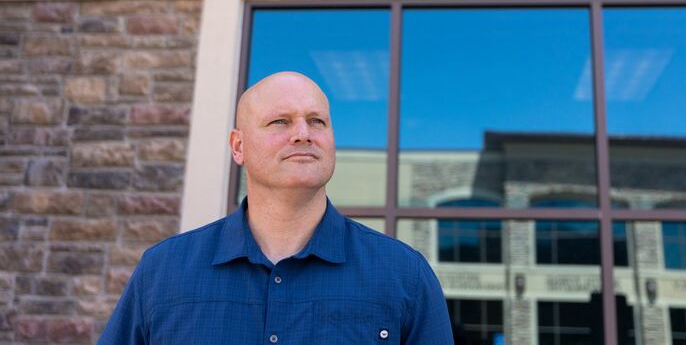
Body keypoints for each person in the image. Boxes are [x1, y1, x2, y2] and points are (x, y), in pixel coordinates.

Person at [99, 71, 454, 344]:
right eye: (280, 121)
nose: (303, 133)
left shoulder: (404, 275)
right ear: (238, 146)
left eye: (317, 121)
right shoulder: (163, 272)